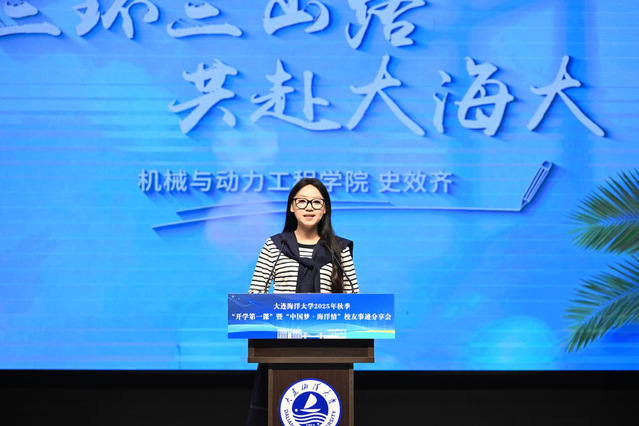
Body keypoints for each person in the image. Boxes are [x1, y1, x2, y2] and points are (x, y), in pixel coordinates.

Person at [246, 177, 359, 426]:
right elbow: (255, 296)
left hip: (329, 349)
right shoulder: (275, 246)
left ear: (325, 208)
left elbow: (354, 301)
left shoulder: (339, 249)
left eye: (316, 202)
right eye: (302, 201)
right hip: (280, 348)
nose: (309, 207)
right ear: (291, 206)